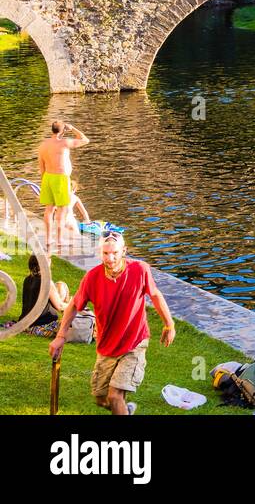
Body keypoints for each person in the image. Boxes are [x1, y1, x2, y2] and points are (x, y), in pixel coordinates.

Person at [50, 232, 176, 415]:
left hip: (134, 343)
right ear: (99, 252)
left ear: (124, 251)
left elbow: (155, 295)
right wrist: (61, 336)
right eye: (106, 253)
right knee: (101, 399)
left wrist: (169, 324)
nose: (110, 258)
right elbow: (73, 306)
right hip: (106, 346)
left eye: (115, 253)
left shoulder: (140, 269)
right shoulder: (92, 278)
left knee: (115, 395)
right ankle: (125, 411)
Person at [38, 120, 89, 251]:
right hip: (61, 179)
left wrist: (43, 181)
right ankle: (60, 241)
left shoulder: (43, 145)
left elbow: (41, 165)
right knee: (62, 210)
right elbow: (85, 140)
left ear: (52, 130)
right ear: (62, 131)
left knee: (49, 210)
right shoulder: (64, 143)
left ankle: (49, 239)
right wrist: (72, 128)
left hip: (47, 177)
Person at [20, 254, 70, 336]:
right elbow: (60, 306)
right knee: (76, 325)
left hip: (25, 323)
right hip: (41, 325)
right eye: (49, 259)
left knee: (61, 285)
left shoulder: (27, 279)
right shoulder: (46, 282)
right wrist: (74, 305)